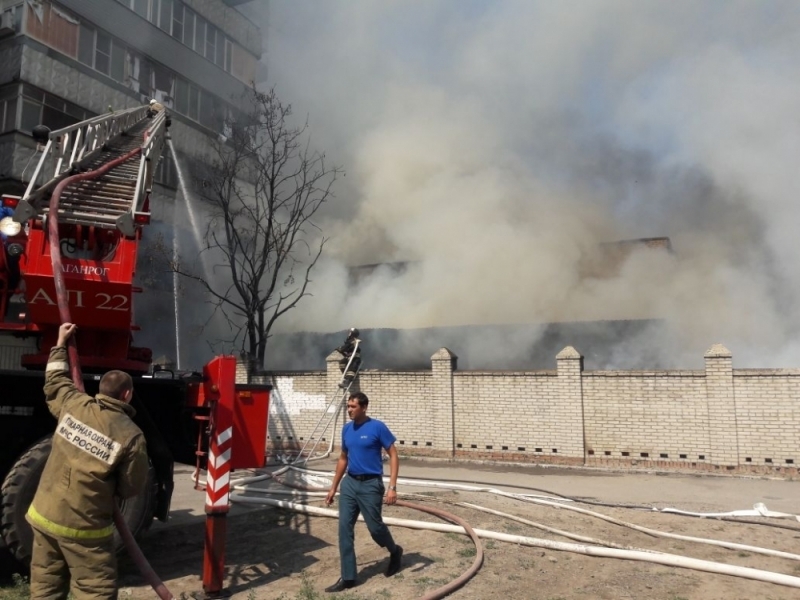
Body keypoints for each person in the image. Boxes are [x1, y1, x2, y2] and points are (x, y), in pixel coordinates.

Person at [26, 322, 149, 600]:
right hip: (84, 530)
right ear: (127, 394)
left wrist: (60, 342)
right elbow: (131, 488)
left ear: (102, 389)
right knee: (95, 590)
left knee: (45, 588)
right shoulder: (131, 436)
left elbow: (55, 382)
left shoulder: (74, 405)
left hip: (43, 516)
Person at [324, 391, 402, 592]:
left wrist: (392, 487)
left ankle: (394, 551)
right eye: (348, 406)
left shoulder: (377, 427)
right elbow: (343, 458)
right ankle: (348, 577)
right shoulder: (346, 429)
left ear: (364, 407)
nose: (349, 410)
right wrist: (333, 487)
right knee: (344, 529)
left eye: (353, 406)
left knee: (375, 528)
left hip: (370, 485)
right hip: (350, 483)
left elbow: (393, 455)